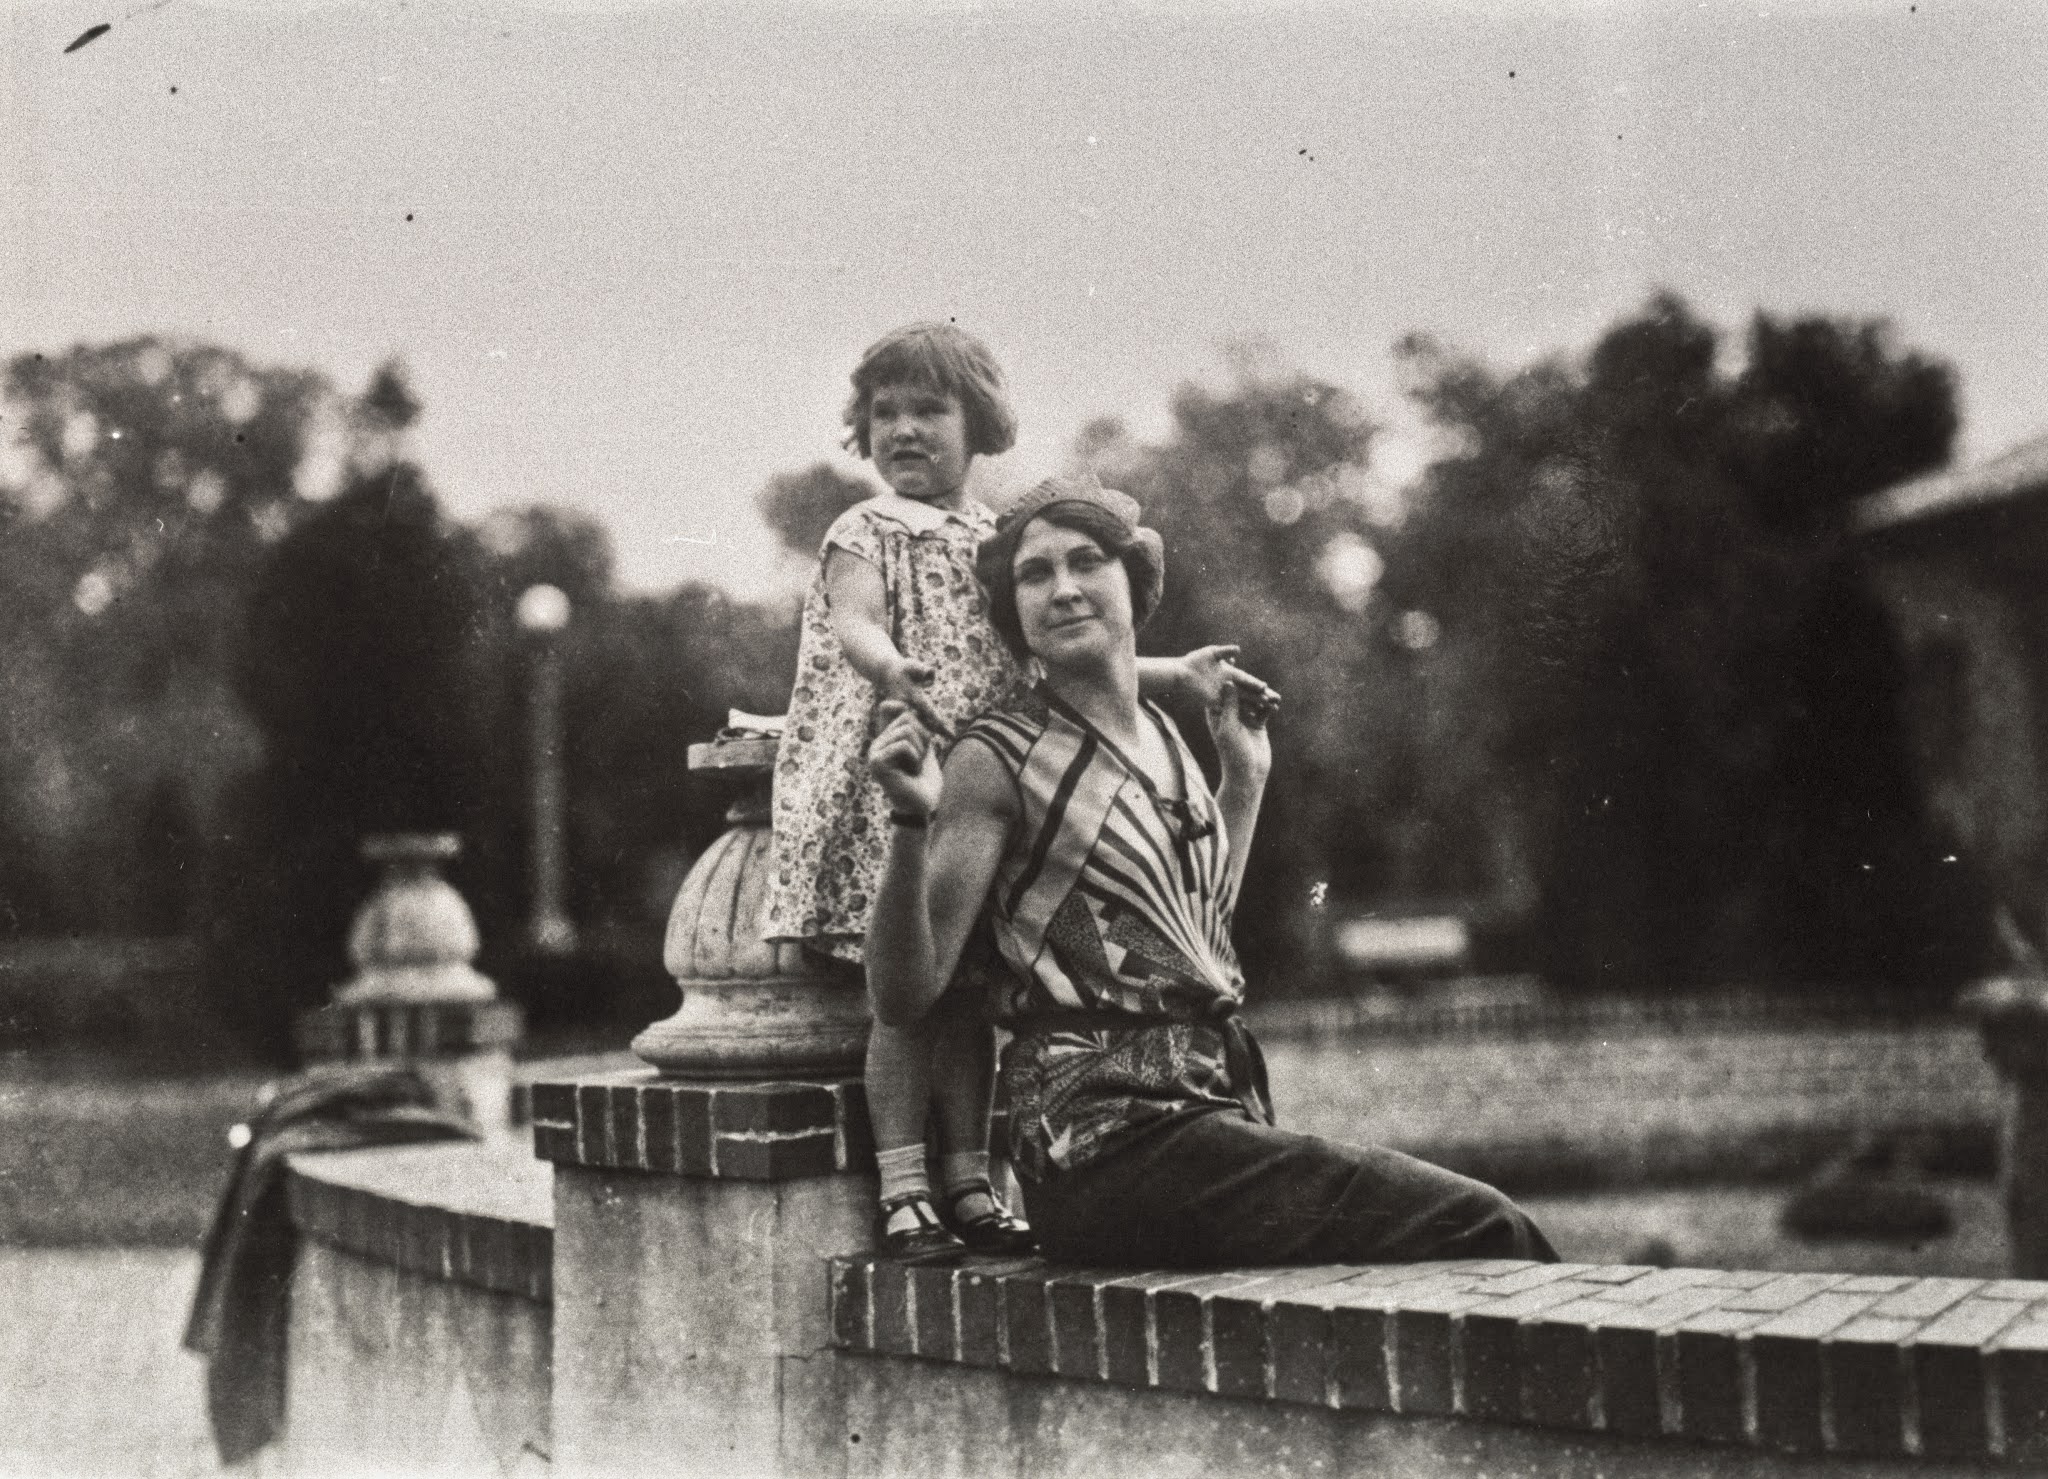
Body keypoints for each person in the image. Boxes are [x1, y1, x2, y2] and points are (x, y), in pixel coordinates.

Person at [864, 473, 1555, 1268]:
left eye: (1085, 561)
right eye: (1033, 573)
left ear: (1135, 580)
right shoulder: (997, 757)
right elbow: (907, 992)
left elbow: (1191, 938)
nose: (1062, 588)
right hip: (1103, 1144)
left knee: (1450, 1240)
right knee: (1484, 1226)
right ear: (1012, 611)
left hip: (1203, 1117)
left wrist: (1244, 777)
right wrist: (910, 819)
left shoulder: (1164, 733)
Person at [762, 326, 1277, 1263]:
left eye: (929, 410)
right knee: (907, 998)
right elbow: (854, 623)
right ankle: (907, 1184)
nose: (904, 432)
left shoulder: (999, 543)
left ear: (979, 424)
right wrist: (895, 670)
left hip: (995, 790)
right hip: (904, 771)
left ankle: (971, 1177)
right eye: (885, 414)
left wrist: (1175, 676)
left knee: (972, 999)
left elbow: (1066, 647)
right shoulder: (866, 529)